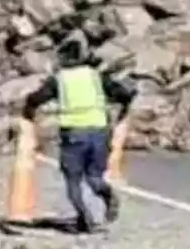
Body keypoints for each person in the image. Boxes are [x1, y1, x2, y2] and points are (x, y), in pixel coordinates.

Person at [22, 38, 136, 233]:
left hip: (74, 134)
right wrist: (123, 107)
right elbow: (123, 94)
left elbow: (36, 98)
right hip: (99, 132)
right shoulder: (95, 76)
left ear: (63, 58)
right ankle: (108, 196)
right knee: (94, 177)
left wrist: (28, 111)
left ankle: (84, 219)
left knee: (73, 180)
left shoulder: (60, 79)